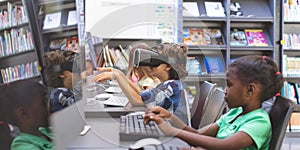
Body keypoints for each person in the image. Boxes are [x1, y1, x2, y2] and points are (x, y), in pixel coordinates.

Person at [144, 55, 288, 149]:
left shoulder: (259, 122)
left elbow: (223, 145)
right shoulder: (235, 113)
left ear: (250, 90)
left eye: (229, 85)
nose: (225, 90)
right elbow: (197, 134)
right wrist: (170, 117)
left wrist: (172, 131)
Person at [94, 42, 190, 124]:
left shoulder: (171, 87)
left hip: (176, 139)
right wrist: (119, 73)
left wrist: (118, 76)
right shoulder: (169, 84)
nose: (150, 64)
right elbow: (141, 94)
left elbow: (138, 101)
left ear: (168, 66)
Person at [92, 42, 160, 106]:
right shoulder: (144, 78)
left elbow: (143, 99)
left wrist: (118, 75)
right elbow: (141, 92)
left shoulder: (149, 80)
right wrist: (118, 74)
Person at [0, 80, 53, 150]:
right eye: (43, 102)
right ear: (23, 114)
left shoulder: (45, 131)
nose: (50, 106)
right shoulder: (21, 146)